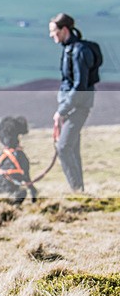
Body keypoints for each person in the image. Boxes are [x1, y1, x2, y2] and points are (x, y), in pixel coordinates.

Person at [48, 12, 95, 192]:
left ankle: (76, 190)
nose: (51, 35)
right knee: (72, 148)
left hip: (78, 107)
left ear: (64, 29)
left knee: (63, 147)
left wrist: (62, 110)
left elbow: (79, 85)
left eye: (54, 31)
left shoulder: (78, 52)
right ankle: (80, 191)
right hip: (70, 106)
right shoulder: (69, 49)